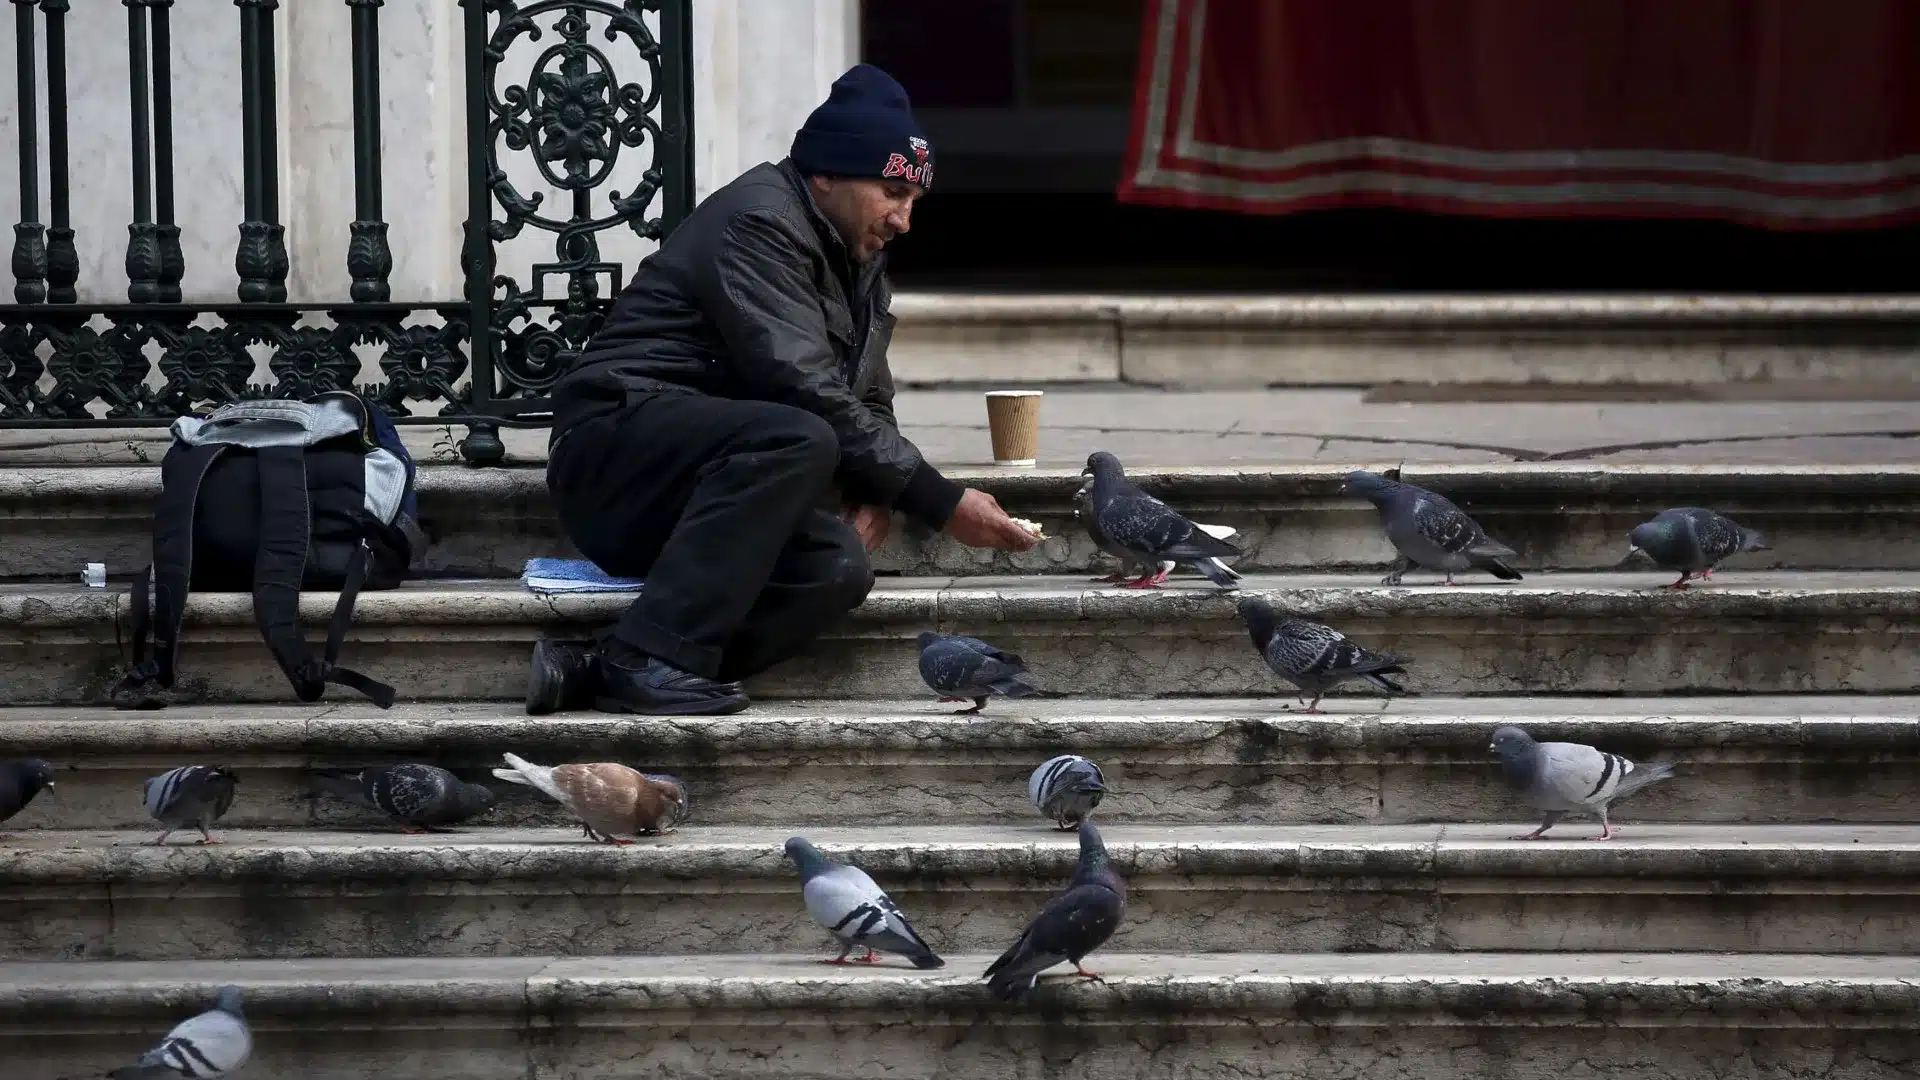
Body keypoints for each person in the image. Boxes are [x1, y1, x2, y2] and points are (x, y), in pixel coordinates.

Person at [531, 64, 1039, 716]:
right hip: (615, 456)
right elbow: (800, 386)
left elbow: (866, 394)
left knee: (838, 568)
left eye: (912, 201)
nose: (903, 220)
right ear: (825, 174)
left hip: (712, 493)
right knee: (800, 433)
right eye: (891, 193)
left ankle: (610, 665)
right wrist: (938, 500)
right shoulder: (758, 222)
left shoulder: (858, 256)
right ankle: (653, 661)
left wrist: (872, 486)